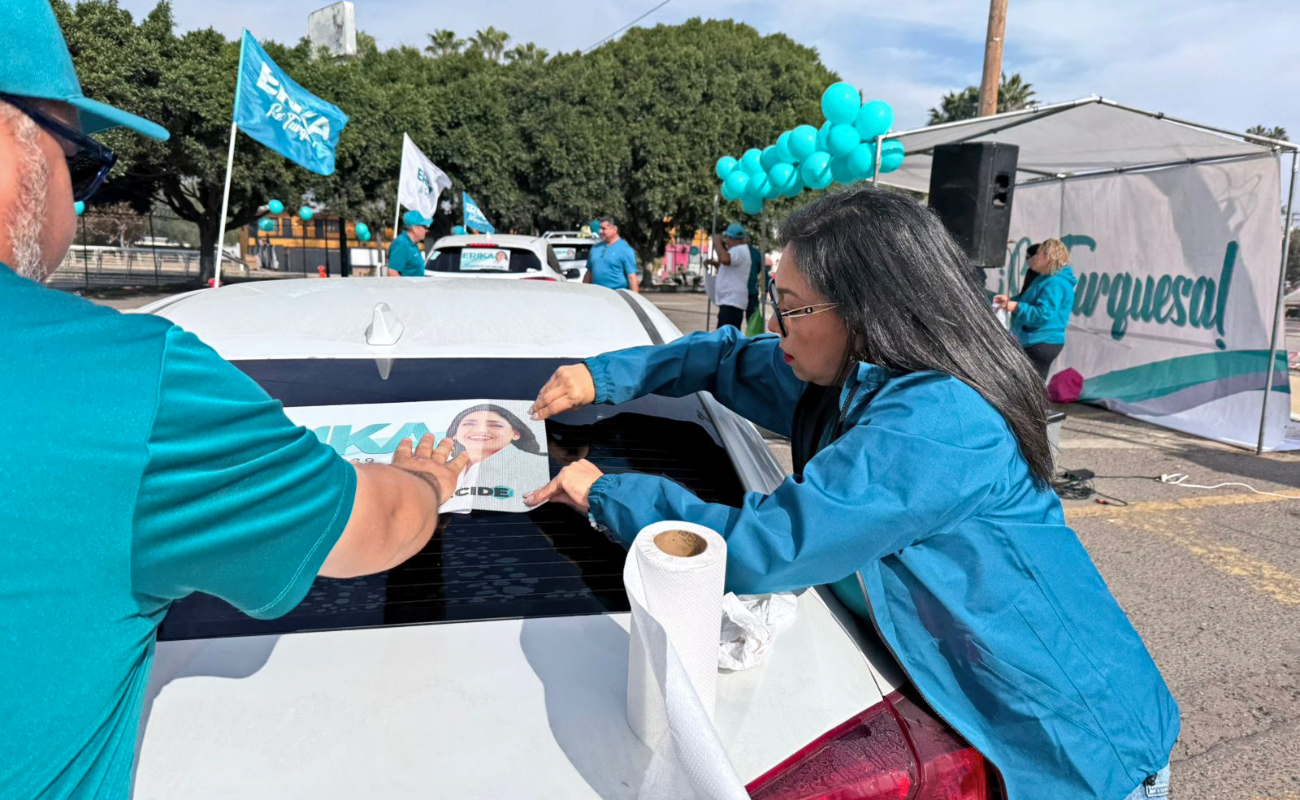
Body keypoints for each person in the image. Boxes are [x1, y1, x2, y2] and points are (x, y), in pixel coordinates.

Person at [525, 186, 1177, 800]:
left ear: (865, 313)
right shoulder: (841, 380)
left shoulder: (937, 423)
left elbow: (769, 546)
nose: (774, 325)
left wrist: (604, 493)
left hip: (1082, 756)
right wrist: (602, 375)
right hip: (992, 722)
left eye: (791, 306)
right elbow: (724, 359)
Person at [0, 3, 468, 796]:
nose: (78, 207)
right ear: (17, 134)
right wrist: (428, 479)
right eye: (81, 163)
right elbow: (377, 525)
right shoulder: (133, 389)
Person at [994, 238, 1077, 381]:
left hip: (1042, 342)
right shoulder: (1045, 278)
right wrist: (1010, 301)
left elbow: (1043, 314)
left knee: (1029, 386)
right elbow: (1028, 300)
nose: (1034, 257)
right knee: (1022, 384)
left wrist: (1015, 306)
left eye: (1037, 254)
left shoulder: (1055, 282)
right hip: (1033, 340)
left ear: (1048, 257)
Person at [703, 222, 751, 330]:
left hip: (732, 303)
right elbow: (726, 264)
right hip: (731, 302)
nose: (726, 241)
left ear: (730, 238)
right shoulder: (739, 250)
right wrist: (715, 264)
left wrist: (717, 243)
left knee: (725, 340)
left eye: (727, 238)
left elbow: (725, 259)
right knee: (726, 337)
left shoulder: (739, 249)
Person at [583, 216, 639, 292]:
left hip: (616, 295)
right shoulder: (595, 248)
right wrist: (584, 291)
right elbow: (589, 273)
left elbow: (632, 277)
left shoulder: (625, 249)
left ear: (614, 230)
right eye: (600, 228)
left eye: (603, 229)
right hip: (596, 294)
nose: (600, 231)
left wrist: (634, 300)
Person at [388, 209, 430, 277]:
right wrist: (405, 287)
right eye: (424, 227)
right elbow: (392, 273)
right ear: (415, 228)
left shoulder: (413, 243)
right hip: (408, 288)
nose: (427, 230)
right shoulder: (401, 244)